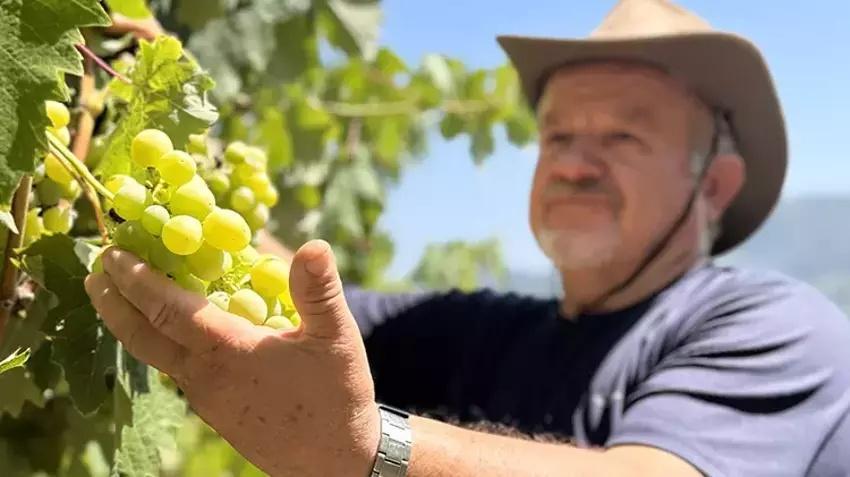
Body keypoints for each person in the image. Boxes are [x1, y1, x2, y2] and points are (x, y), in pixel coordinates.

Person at [85, 1, 850, 476]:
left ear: (713, 185)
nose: (574, 163)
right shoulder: (485, 334)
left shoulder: (779, 329)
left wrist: (359, 450)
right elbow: (273, 285)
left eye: (622, 135)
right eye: (556, 135)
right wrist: (155, 121)